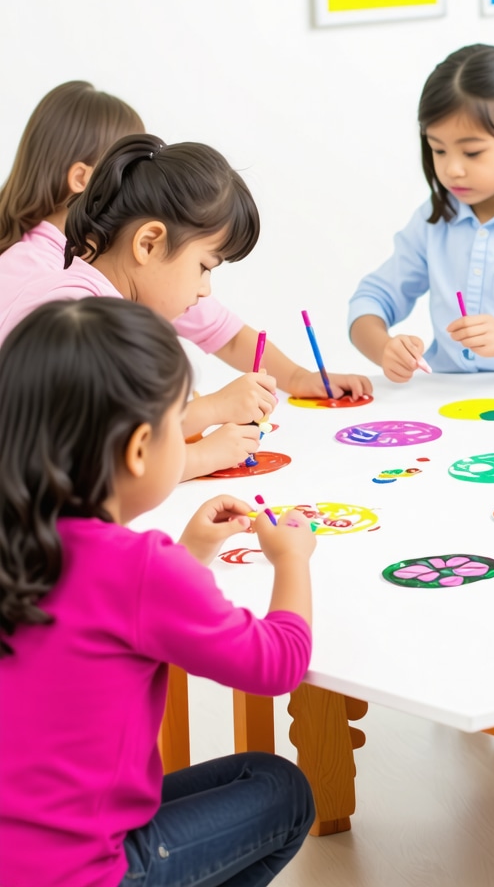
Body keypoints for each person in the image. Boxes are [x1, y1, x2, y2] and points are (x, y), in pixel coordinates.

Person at [0, 297, 318, 887]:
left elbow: (103, 613)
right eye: (180, 422)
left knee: (246, 774)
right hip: (86, 872)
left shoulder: (24, 542)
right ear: (139, 448)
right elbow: (279, 665)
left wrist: (189, 551)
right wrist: (291, 560)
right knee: (284, 790)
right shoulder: (139, 568)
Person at [0, 81, 372, 402]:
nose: (141, 179)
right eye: (126, 169)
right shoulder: (49, 278)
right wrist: (199, 418)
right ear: (83, 178)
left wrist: (297, 378)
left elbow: (224, 334)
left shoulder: (139, 268)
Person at [348, 42, 494, 381]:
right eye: (438, 150)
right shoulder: (433, 220)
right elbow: (370, 301)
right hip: (448, 395)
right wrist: (384, 348)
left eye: (472, 153)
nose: (452, 170)